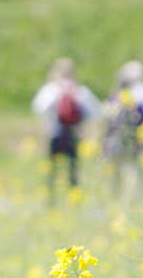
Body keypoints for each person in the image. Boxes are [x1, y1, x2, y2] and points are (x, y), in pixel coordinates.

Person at [31, 57, 99, 195]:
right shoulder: (80, 90)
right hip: (74, 134)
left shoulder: (51, 89)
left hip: (54, 134)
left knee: (52, 170)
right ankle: (74, 199)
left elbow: (38, 107)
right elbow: (96, 112)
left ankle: (50, 201)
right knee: (73, 171)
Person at [102, 60, 143, 187]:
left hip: (116, 142)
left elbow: (105, 118)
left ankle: (118, 201)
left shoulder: (116, 95)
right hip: (140, 142)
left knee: (116, 178)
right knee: (136, 175)